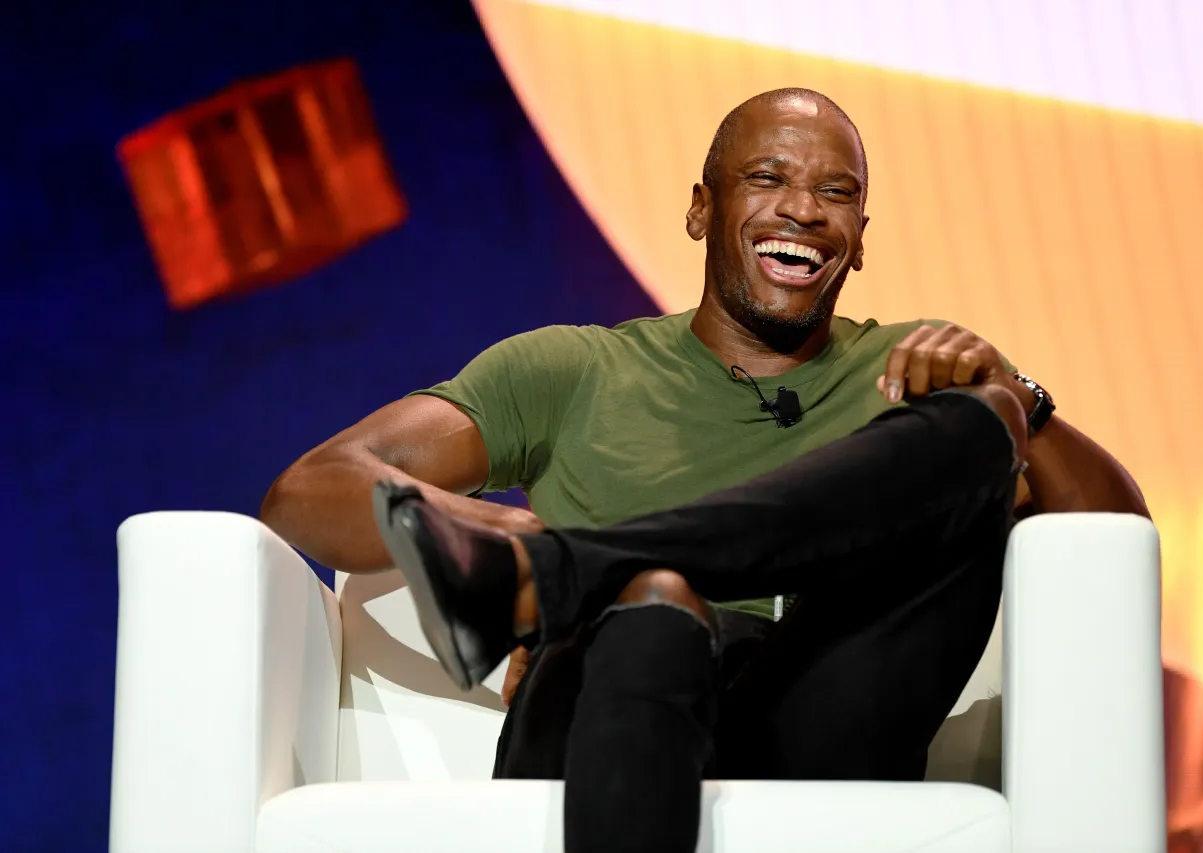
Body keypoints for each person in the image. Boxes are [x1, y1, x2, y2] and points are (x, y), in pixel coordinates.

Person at [260, 88, 1148, 853]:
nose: (803, 209)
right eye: (768, 179)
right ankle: (595, 580)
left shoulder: (905, 369)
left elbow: (1113, 538)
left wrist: (1015, 393)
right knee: (654, 608)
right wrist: (502, 528)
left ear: (860, 237)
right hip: (609, 692)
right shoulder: (571, 369)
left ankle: (567, 576)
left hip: (812, 716)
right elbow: (308, 488)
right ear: (700, 209)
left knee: (979, 420)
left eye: (835, 193)